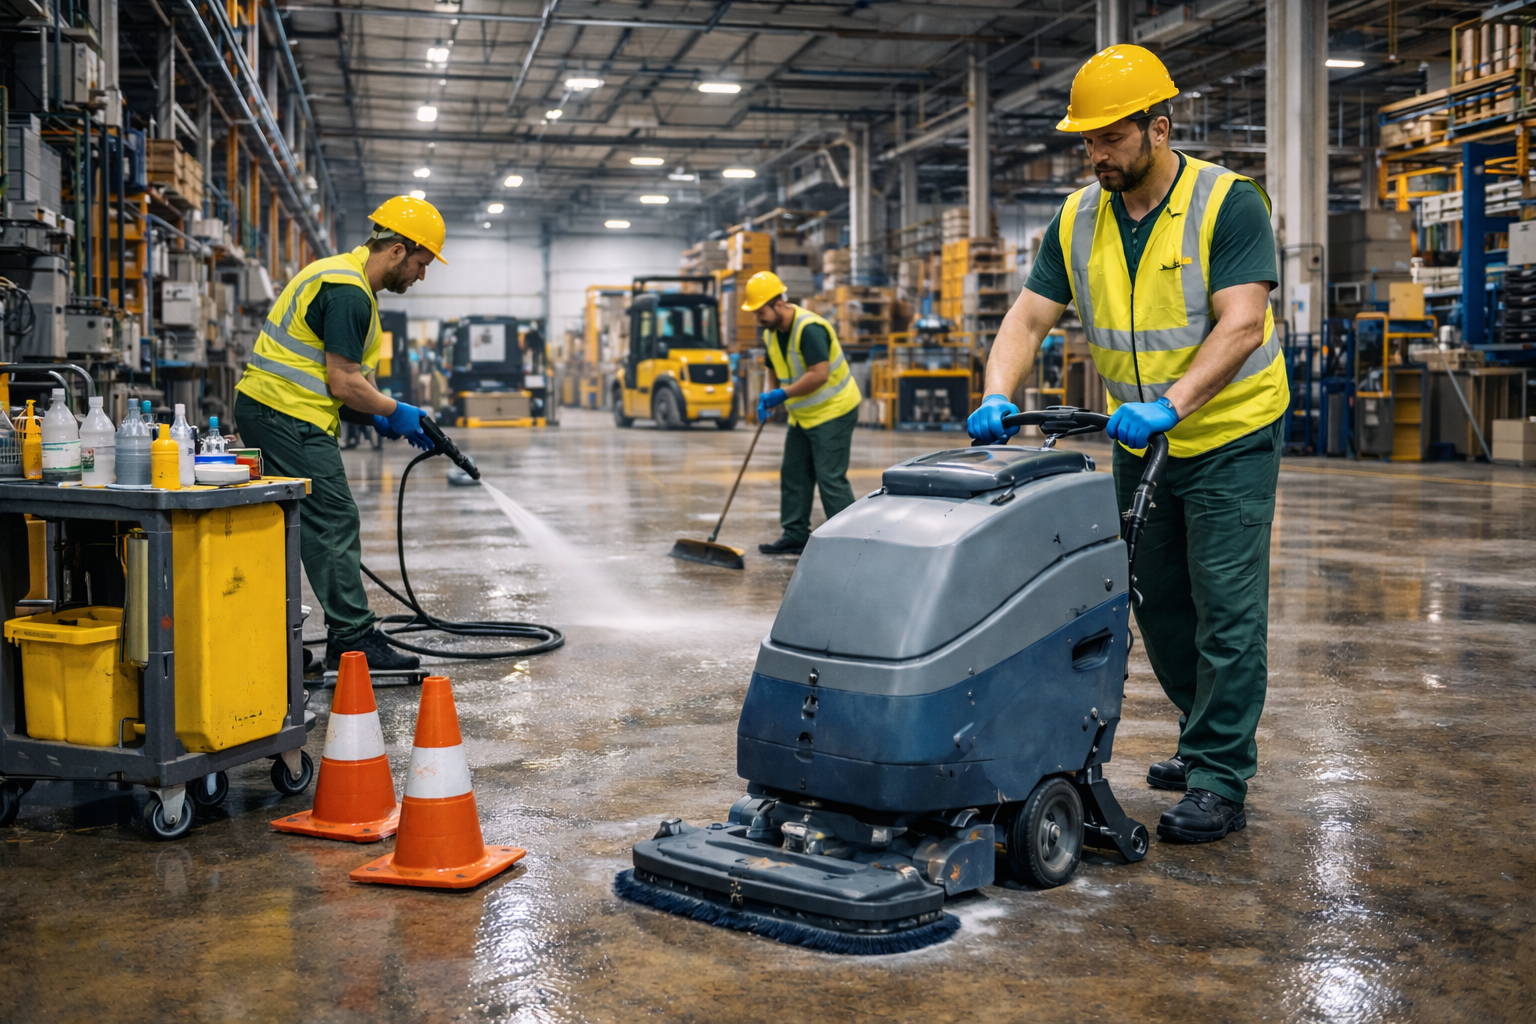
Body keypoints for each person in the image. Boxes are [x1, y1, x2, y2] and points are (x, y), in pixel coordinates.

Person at [967, 44, 1287, 844]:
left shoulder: (1228, 203)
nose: (1096, 155)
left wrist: (1171, 405)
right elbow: (1028, 318)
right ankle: (1203, 731)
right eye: (1088, 141)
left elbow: (1243, 323)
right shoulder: (1078, 217)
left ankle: (1220, 773)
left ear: (1158, 127)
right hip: (1139, 441)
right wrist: (997, 391)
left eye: (1110, 138)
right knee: (1153, 597)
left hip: (1228, 432)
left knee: (1226, 606)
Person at [234, 195, 448, 671]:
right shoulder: (348, 290)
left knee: (299, 525)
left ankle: (286, 640)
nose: (421, 274)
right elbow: (344, 381)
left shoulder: (344, 280)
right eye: (420, 262)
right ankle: (351, 641)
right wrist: (396, 409)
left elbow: (336, 382)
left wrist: (374, 415)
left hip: (283, 411)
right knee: (333, 518)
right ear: (396, 250)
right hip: (284, 414)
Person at [741, 271, 863, 555]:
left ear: (778, 303)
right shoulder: (771, 332)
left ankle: (849, 541)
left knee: (830, 478)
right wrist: (769, 396)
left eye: (759, 311)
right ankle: (795, 533)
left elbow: (819, 375)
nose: (757, 317)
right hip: (803, 414)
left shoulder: (809, 329)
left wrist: (782, 394)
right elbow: (772, 366)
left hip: (834, 410)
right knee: (793, 472)